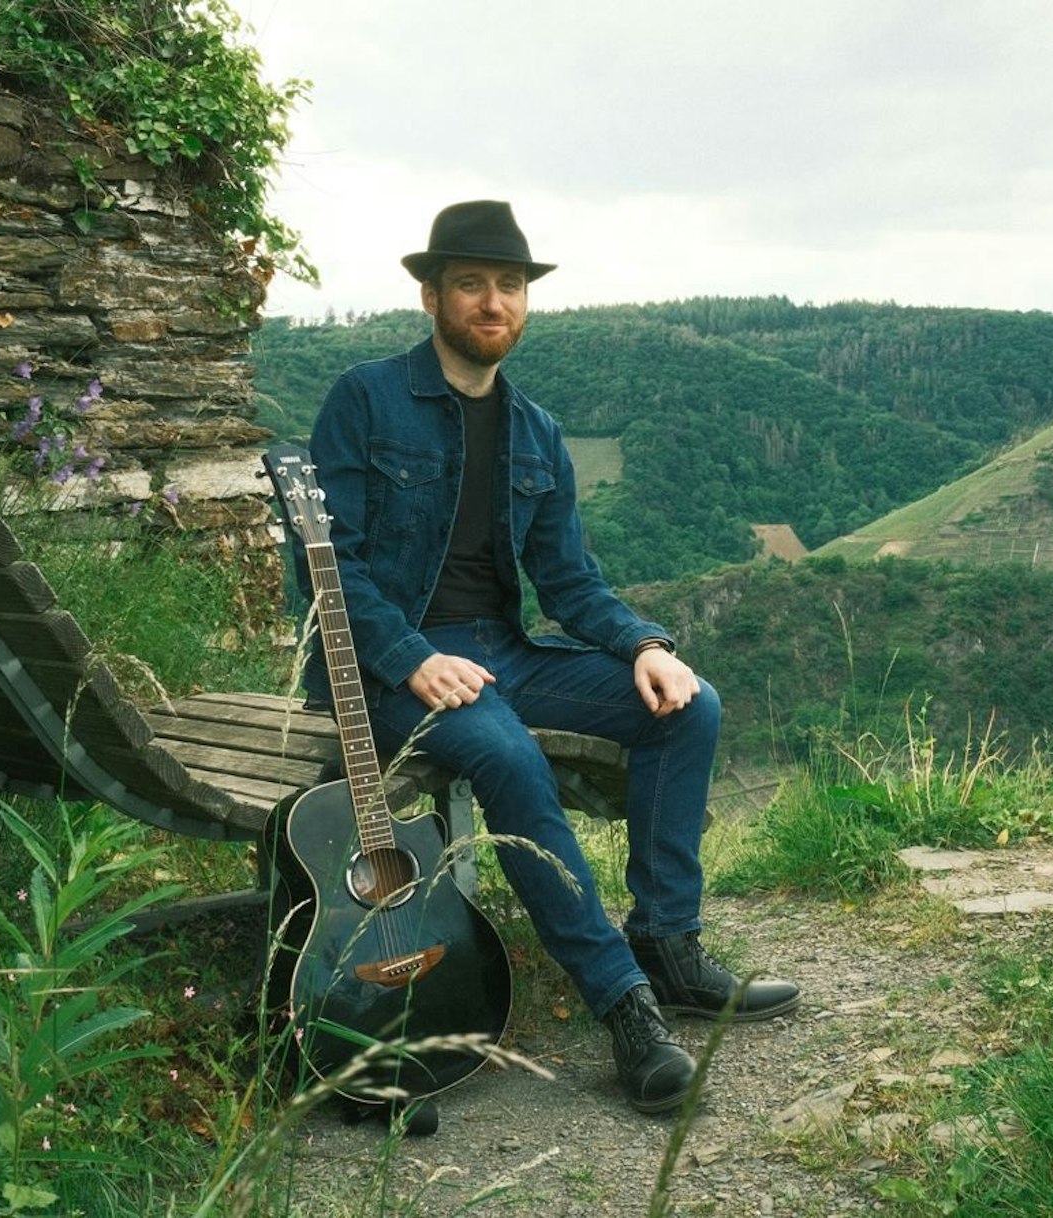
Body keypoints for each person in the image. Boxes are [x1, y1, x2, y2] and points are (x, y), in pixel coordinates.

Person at [300, 200, 799, 1114]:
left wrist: (645, 644)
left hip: (501, 655)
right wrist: (411, 657)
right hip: (381, 666)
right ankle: (625, 1006)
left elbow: (567, 579)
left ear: (525, 301)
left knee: (691, 706)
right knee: (504, 752)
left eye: (510, 285)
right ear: (430, 295)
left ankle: (667, 945)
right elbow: (329, 562)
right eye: (471, 284)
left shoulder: (535, 430)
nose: (493, 302)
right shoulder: (365, 399)